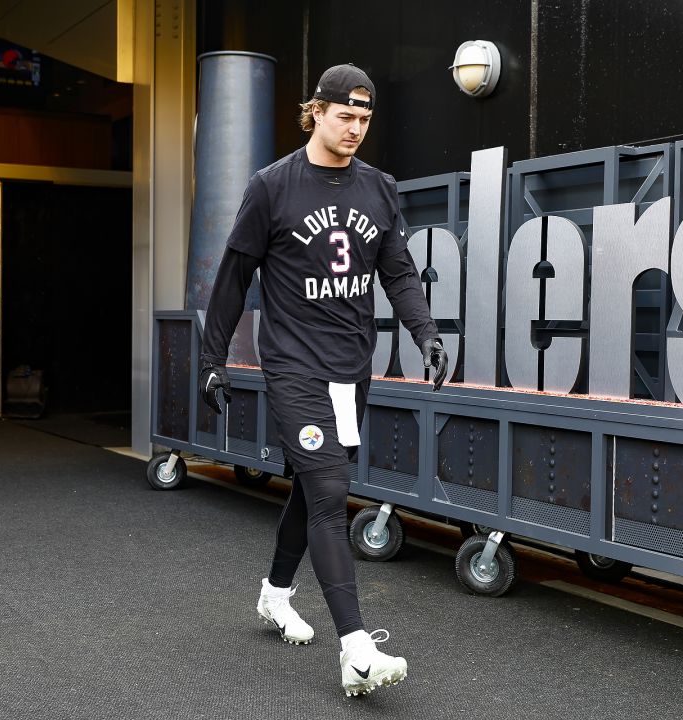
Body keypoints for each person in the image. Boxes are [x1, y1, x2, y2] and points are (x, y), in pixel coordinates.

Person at [196, 63, 447, 697]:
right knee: (332, 491)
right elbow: (233, 277)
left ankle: (275, 595)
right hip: (293, 367)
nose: (357, 128)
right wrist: (211, 357)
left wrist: (426, 333)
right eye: (346, 117)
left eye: (366, 119)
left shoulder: (380, 189)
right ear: (317, 111)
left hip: (348, 370)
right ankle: (357, 651)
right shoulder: (273, 187)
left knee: (313, 491)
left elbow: (399, 274)